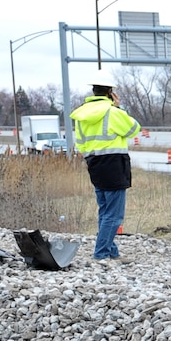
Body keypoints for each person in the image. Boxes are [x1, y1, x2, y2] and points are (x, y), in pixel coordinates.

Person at [70, 71, 140, 262]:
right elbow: (134, 129)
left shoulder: (82, 114)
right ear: (110, 92)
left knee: (105, 210)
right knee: (114, 215)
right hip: (114, 165)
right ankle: (101, 254)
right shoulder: (113, 112)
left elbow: (81, 143)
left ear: (93, 91)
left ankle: (111, 252)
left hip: (94, 164)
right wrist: (119, 107)